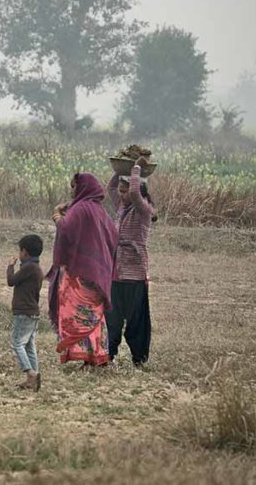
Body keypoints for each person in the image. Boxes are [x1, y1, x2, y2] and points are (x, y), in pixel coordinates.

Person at [49, 173, 118, 367]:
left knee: (77, 314)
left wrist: (56, 215)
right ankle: (97, 356)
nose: (72, 191)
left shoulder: (79, 209)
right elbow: (114, 236)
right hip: (99, 275)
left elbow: (66, 231)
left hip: (81, 273)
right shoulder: (100, 211)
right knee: (95, 316)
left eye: (74, 187)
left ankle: (87, 356)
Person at [105, 157, 156, 367]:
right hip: (117, 272)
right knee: (112, 317)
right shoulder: (122, 208)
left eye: (125, 191)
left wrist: (135, 168)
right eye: (122, 191)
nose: (122, 194)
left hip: (134, 273)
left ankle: (139, 358)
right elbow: (110, 189)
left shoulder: (143, 211)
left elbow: (135, 193)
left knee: (136, 320)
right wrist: (119, 170)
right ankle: (108, 354)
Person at [7, 234, 44, 390]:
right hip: (33, 312)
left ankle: (30, 373)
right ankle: (34, 377)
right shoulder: (37, 268)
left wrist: (10, 266)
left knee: (17, 343)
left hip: (24, 312)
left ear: (25, 252)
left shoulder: (29, 268)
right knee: (29, 345)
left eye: (20, 251)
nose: (19, 254)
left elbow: (11, 281)